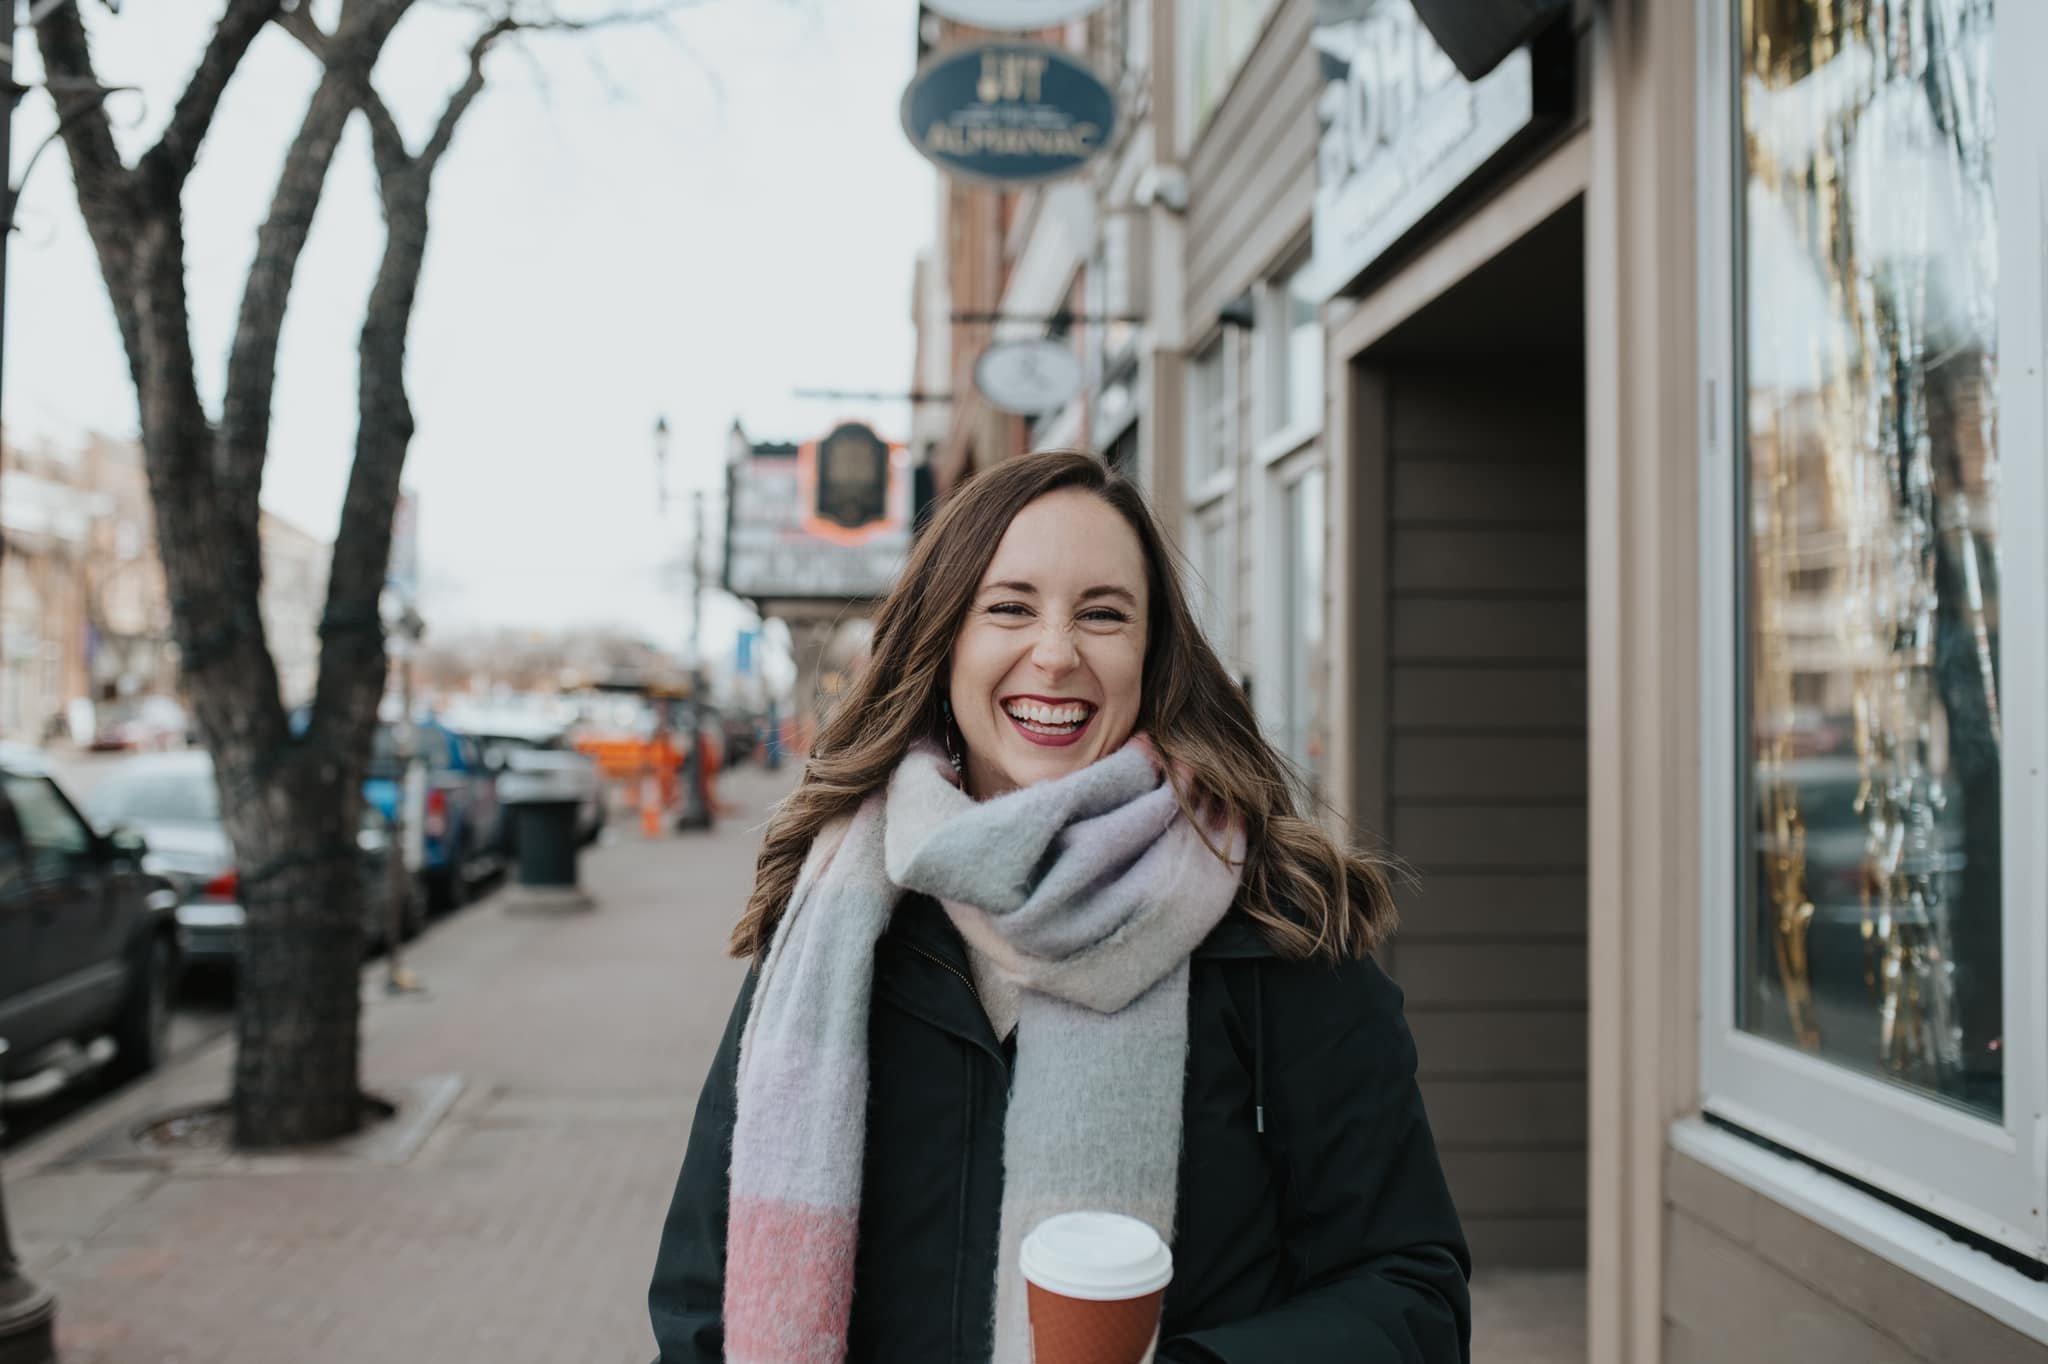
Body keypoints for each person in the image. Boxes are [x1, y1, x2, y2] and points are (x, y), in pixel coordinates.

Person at [648, 451, 1471, 1363]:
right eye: (1009, 607)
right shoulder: (835, 921)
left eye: (1103, 614)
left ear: (1152, 654)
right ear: (944, 640)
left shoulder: (1276, 921)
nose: (1055, 652)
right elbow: (700, 1303)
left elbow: (1410, 1293)